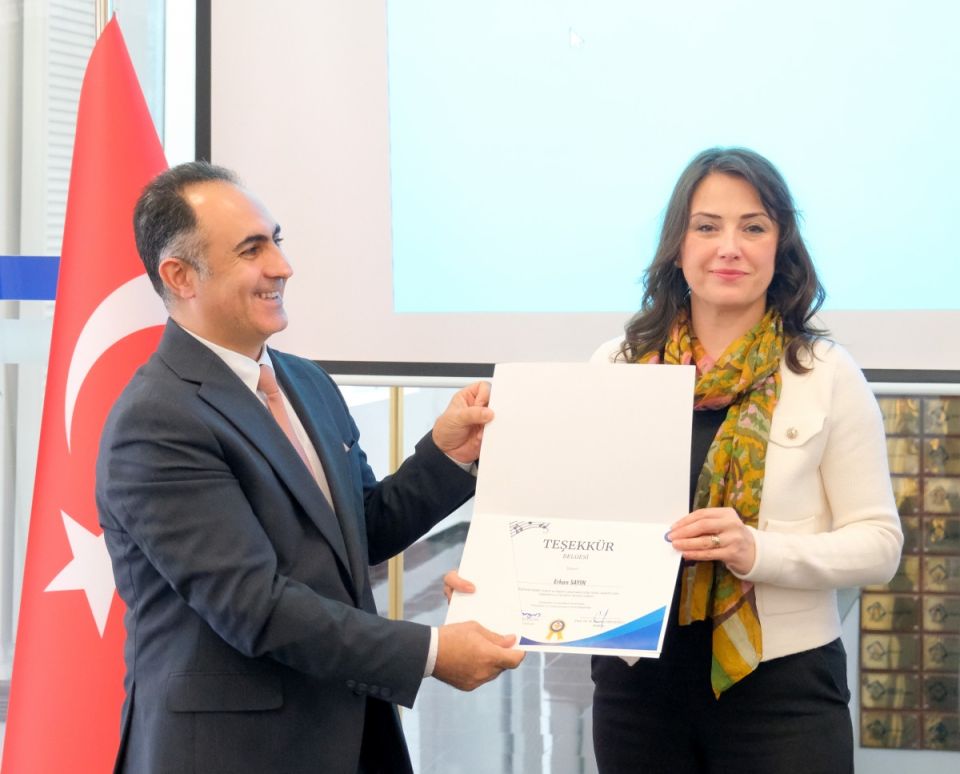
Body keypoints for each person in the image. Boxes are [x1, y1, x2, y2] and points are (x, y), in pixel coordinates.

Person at [447, 147, 903, 773]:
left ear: (781, 247)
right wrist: (495, 584)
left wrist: (757, 551)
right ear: (677, 245)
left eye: (754, 227)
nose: (729, 247)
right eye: (707, 226)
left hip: (783, 687)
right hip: (637, 685)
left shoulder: (825, 373)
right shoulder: (618, 363)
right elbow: (561, 512)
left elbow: (879, 544)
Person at [96, 161, 524, 774]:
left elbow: (360, 532)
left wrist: (448, 452)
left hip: (348, 735)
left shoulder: (305, 381)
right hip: (232, 755)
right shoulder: (156, 420)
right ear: (180, 275)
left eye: (276, 240)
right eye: (252, 250)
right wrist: (431, 652)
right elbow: (254, 605)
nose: (282, 266)